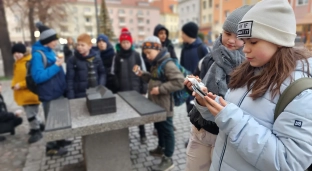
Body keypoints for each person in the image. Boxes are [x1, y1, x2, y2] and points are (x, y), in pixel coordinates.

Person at [186, 0, 312, 170]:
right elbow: (228, 118)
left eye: (253, 42)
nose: (245, 49)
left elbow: (289, 162)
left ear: (278, 40)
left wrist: (230, 118)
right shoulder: (247, 72)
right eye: (245, 42)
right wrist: (207, 104)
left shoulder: (301, 92)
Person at [184, 5, 252, 171]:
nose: (231, 40)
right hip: (200, 127)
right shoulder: (209, 58)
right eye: (227, 33)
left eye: (238, 37)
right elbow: (199, 83)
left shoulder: (250, 66)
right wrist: (192, 86)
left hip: (223, 135)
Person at [137, 36, 184, 171]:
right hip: (155, 104)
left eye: (148, 53)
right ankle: (160, 148)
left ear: (157, 49)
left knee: (167, 131)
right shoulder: (156, 63)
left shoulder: (167, 64)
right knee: (159, 128)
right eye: (145, 54)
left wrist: (161, 89)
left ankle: (168, 158)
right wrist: (142, 74)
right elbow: (154, 79)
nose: (147, 56)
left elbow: (179, 81)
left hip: (164, 106)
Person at [31, 22, 70, 156]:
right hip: (49, 94)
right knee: (52, 121)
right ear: (47, 41)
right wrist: (56, 66)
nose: (56, 42)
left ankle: (60, 141)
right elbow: (38, 76)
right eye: (54, 40)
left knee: (59, 118)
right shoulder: (38, 55)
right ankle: (51, 147)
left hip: (57, 92)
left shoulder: (50, 51)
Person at [112, 28, 147, 143]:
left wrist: (144, 88)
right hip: (123, 91)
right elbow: (113, 73)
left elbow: (143, 73)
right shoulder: (117, 57)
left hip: (136, 89)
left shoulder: (136, 55)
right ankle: (125, 136)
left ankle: (142, 134)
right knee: (123, 114)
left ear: (131, 42)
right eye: (123, 42)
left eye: (127, 42)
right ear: (120, 43)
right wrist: (116, 86)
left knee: (139, 113)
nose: (125, 44)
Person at [11, 43, 44, 144]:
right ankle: (40, 125)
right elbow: (16, 76)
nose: (17, 54)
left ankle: (36, 131)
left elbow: (32, 78)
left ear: (24, 52)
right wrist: (13, 84)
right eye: (15, 52)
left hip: (31, 93)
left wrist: (20, 85)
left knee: (30, 114)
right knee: (30, 113)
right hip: (23, 94)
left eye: (19, 52)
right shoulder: (18, 63)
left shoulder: (29, 62)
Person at [180, 22, 209, 114]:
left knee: (200, 114)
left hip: (199, 88)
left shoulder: (202, 48)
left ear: (188, 33)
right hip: (188, 88)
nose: (182, 36)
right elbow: (182, 67)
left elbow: (209, 68)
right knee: (190, 113)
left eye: (183, 33)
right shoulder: (184, 49)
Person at [66, 33, 106, 99]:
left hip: (95, 93)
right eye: (78, 44)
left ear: (90, 46)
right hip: (79, 95)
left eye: (82, 45)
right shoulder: (72, 60)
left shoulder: (96, 58)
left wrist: (100, 87)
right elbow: (69, 80)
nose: (79, 47)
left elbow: (102, 73)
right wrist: (71, 96)